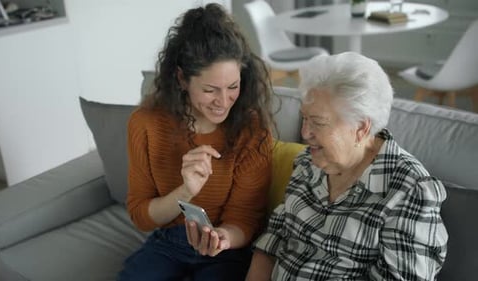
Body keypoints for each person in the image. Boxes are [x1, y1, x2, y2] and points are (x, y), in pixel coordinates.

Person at [245, 52, 448, 281]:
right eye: (305, 118)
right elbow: (274, 239)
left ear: (361, 128)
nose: (304, 133)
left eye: (318, 123)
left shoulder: (409, 190)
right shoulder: (308, 163)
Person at [118, 3, 275, 281]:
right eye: (210, 89)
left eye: (233, 87)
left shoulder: (252, 131)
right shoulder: (145, 123)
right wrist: (185, 192)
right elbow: (141, 215)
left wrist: (221, 238)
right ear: (181, 79)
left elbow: (245, 219)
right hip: (168, 242)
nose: (224, 101)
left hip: (227, 249)